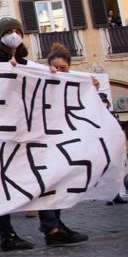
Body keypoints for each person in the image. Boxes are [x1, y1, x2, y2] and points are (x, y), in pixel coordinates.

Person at [0, 22, 87, 249]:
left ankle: (52, 227)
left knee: (47, 176)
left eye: (18, 31)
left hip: (30, 132)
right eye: (9, 32)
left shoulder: (28, 64)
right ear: (0, 37)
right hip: (4, 133)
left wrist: (83, 83)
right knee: (6, 182)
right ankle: (7, 235)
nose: (14, 36)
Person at [38, 43, 90, 245]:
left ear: (69, 68)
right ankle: (51, 226)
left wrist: (89, 89)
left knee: (58, 185)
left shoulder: (75, 86)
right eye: (55, 68)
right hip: (45, 145)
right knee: (48, 185)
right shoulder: (42, 83)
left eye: (63, 68)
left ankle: (56, 224)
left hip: (63, 143)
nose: (59, 72)